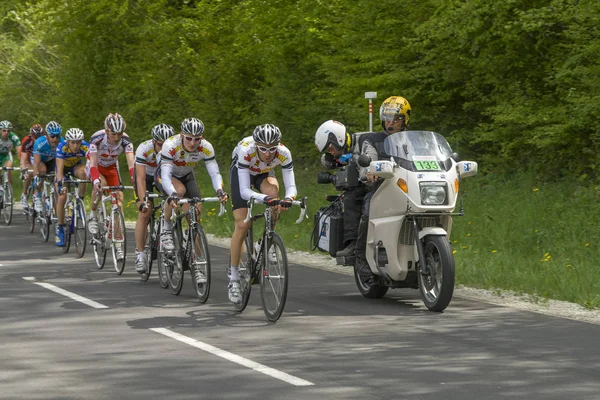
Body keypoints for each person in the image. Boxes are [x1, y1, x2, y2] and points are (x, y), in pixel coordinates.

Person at [228, 124, 297, 304]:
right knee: (242, 224)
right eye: (263, 149)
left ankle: (263, 242)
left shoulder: (284, 153)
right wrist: (263, 198)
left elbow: (291, 185)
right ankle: (234, 278)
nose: (268, 153)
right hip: (242, 173)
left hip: (262, 173)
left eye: (272, 149)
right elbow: (244, 190)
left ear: (278, 145)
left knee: (275, 195)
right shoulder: (246, 151)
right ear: (256, 145)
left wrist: (288, 199)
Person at [155, 117, 228, 281]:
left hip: (187, 175)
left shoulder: (206, 147)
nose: (193, 142)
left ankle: (197, 263)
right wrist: (172, 193)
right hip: (166, 175)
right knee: (178, 191)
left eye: (197, 139)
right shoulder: (170, 145)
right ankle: (166, 229)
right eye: (188, 138)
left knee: (195, 212)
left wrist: (219, 190)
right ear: (181, 135)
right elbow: (166, 176)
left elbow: (214, 172)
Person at [354, 96, 412, 284]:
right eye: (387, 118)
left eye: (395, 118)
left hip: (410, 189)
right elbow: (367, 159)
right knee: (368, 209)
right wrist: (369, 171)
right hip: (382, 189)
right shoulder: (373, 140)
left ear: (405, 119)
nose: (390, 122)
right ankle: (361, 258)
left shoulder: (413, 141)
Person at [314, 120, 372, 258]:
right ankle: (353, 243)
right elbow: (327, 161)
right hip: (367, 186)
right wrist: (331, 161)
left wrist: (366, 171)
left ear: (338, 139)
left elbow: (370, 157)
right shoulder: (344, 152)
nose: (332, 153)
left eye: (331, 148)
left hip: (383, 181)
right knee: (351, 195)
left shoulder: (364, 140)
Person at [86, 113, 135, 262]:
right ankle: (93, 216)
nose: (116, 137)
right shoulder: (97, 138)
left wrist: (135, 182)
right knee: (101, 186)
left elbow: (132, 164)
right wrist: (95, 181)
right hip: (96, 166)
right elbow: (93, 164)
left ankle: (118, 245)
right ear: (107, 131)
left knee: (119, 201)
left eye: (119, 134)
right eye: (113, 134)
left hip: (112, 166)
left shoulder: (126, 141)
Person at [133, 123, 175, 273]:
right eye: (159, 144)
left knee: (171, 197)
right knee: (145, 212)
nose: (162, 147)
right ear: (153, 141)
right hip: (145, 177)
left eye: (166, 145)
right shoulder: (144, 149)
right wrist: (144, 200)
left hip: (161, 176)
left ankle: (165, 229)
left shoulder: (173, 149)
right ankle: (140, 254)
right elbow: (140, 179)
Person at [55, 128, 89, 247]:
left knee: (84, 173)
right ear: (68, 142)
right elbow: (59, 169)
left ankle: (80, 201)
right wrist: (60, 185)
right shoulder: (61, 147)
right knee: (62, 196)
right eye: (73, 142)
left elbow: (92, 164)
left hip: (76, 167)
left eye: (78, 142)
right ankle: (60, 227)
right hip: (63, 169)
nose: (75, 145)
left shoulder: (85, 147)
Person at [32, 121, 64, 213]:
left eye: (57, 136)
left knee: (57, 181)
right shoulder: (40, 142)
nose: (55, 139)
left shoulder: (62, 142)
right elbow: (36, 163)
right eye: (52, 136)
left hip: (53, 161)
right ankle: (38, 196)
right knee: (42, 170)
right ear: (47, 135)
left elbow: (63, 162)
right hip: (42, 161)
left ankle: (57, 211)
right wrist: (36, 177)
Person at [20, 124, 45, 208]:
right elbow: (23, 157)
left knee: (41, 174)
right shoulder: (27, 140)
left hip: (39, 158)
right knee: (29, 174)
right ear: (31, 135)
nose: (37, 138)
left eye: (39, 136)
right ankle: (24, 194)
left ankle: (38, 194)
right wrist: (23, 169)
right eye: (35, 136)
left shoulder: (44, 141)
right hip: (28, 158)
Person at [0, 120, 22, 186]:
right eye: (4, 130)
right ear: (0, 130)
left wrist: (22, 163)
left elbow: (19, 151)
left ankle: (9, 188)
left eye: (8, 131)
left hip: (6, 155)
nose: (6, 132)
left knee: (9, 168)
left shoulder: (13, 137)